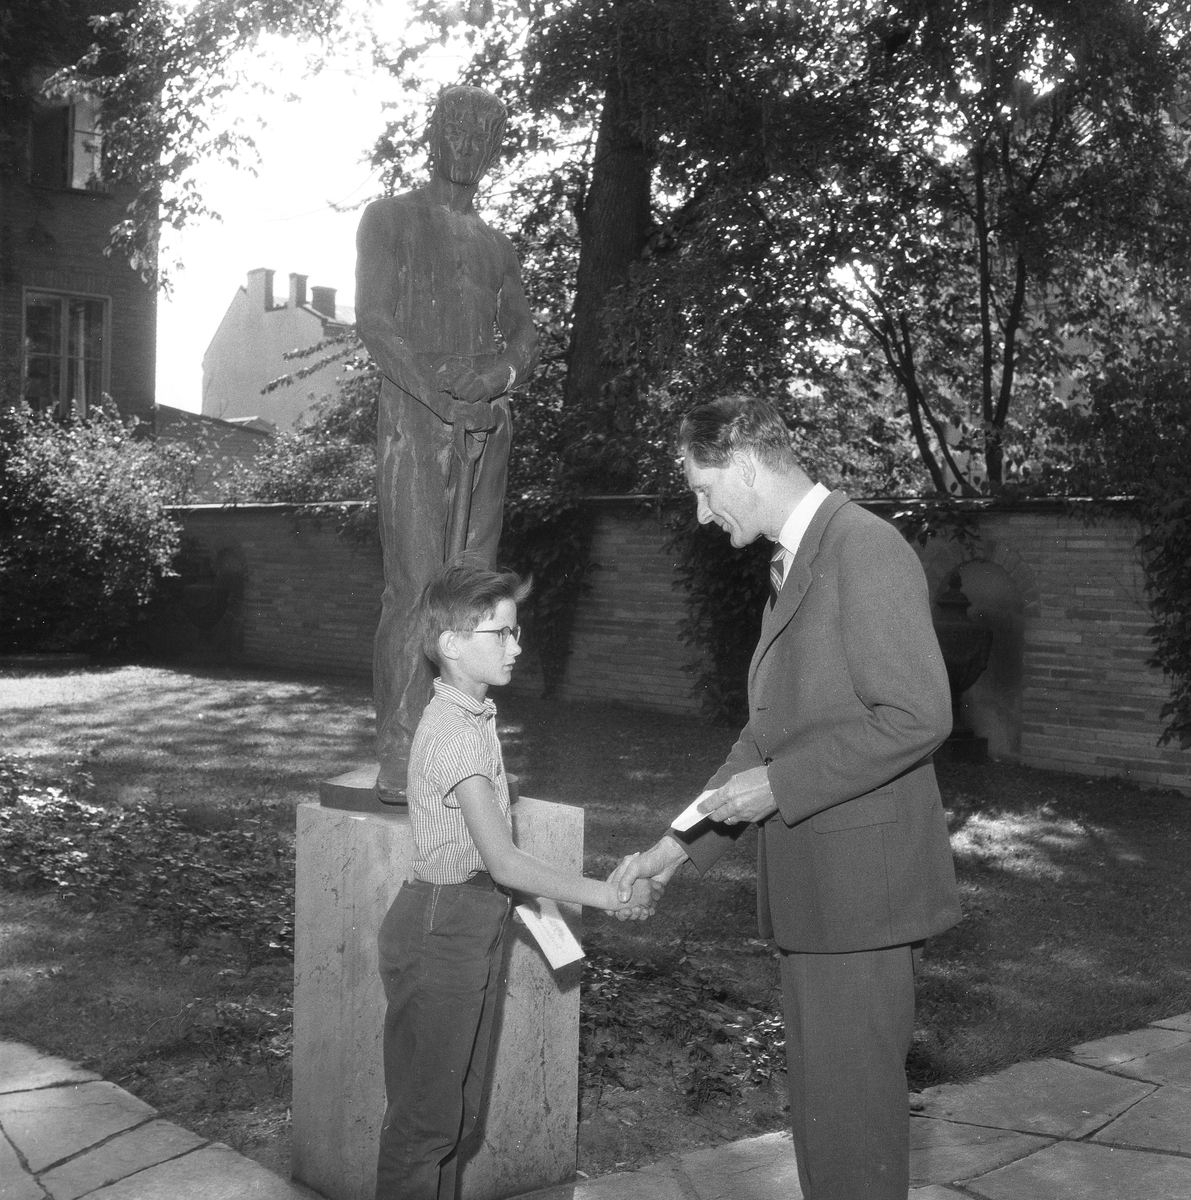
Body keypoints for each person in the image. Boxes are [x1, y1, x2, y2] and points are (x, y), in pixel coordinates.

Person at [611, 395, 961, 1200]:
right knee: (827, 1120)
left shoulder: (861, 548)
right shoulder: (798, 562)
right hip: (822, 899)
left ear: (742, 464)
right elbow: (763, 737)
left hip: (862, 901)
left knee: (851, 1127)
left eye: (702, 490)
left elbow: (917, 714)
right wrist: (674, 848)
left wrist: (779, 785)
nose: (701, 514)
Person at [375, 559, 655, 1200]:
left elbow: (496, 868)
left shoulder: (474, 717)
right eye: (500, 632)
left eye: (515, 630)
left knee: (457, 1112)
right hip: (442, 922)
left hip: (467, 919)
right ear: (450, 646)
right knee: (426, 1123)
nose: (517, 645)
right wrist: (606, 894)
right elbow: (501, 860)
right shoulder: (455, 733)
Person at [356, 85, 540, 803]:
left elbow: (525, 333)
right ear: (433, 136)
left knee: (472, 598)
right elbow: (374, 321)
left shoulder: (496, 245)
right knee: (413, 588)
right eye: (454, 132)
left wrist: (495, 378)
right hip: (413, 420)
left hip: (484, 428)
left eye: (480, 137)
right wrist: (439, 396)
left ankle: (460, 745)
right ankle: (400, 748)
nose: (465, 148)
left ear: (494, 150)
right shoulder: (391, 220)